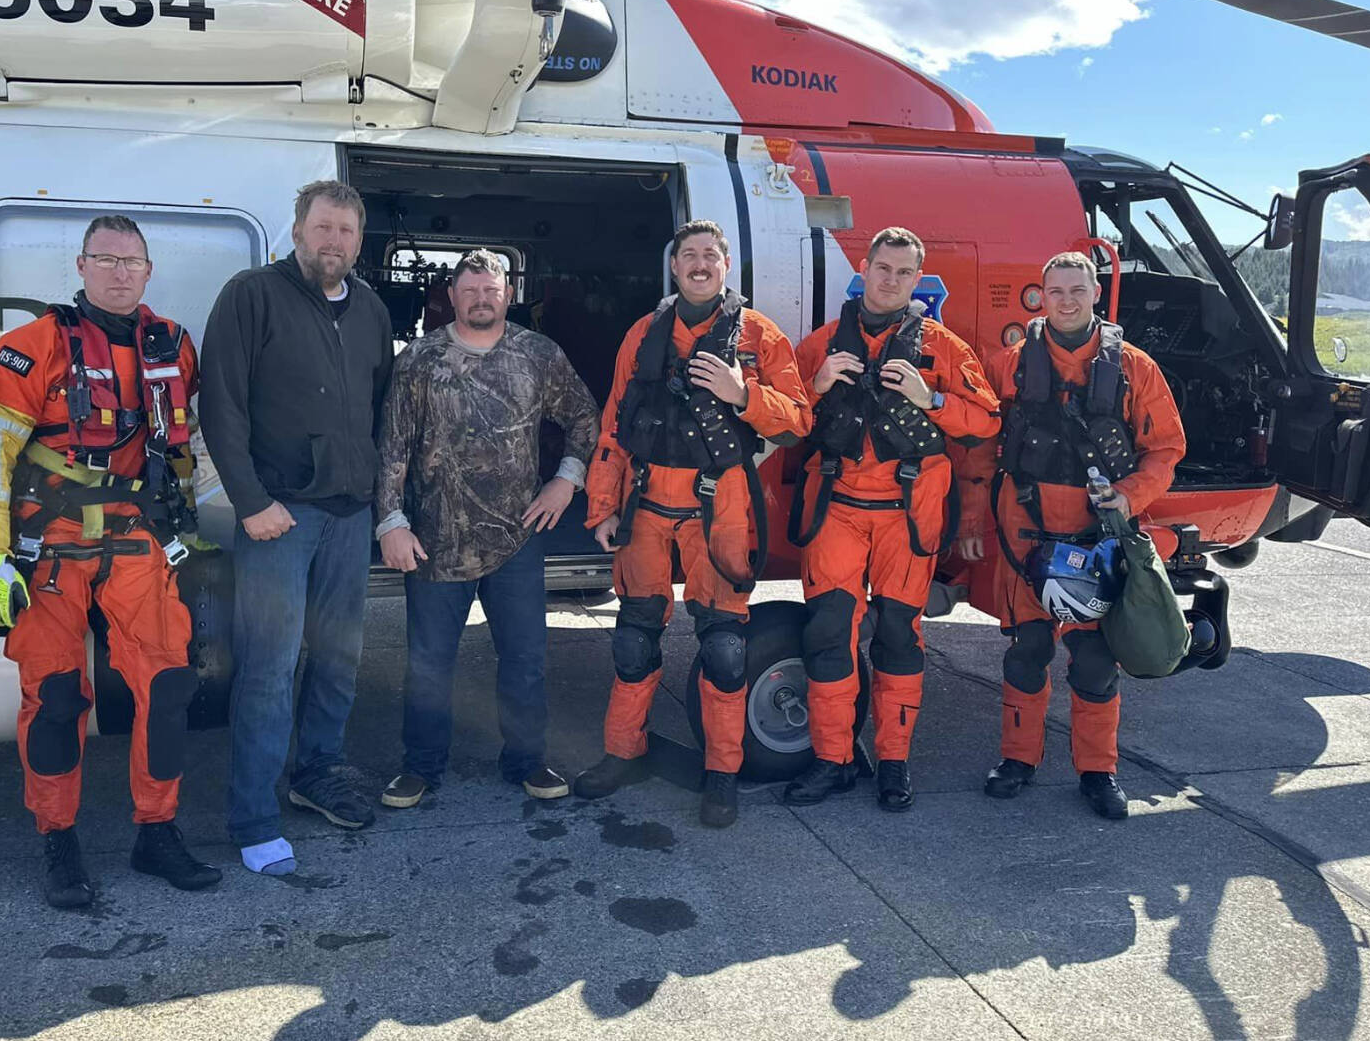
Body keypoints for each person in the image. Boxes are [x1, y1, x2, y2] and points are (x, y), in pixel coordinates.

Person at [0, 213, 220, 909]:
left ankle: (156, 830)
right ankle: (58, 838)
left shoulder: (173, 345)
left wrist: (200, 525)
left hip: (136, 540)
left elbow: (185, 445)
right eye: (104, 259)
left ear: (147, 271)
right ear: (80, 267)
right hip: (48, 545)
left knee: (169, 687)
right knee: (54, 699)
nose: (118, 272)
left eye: (130, 261)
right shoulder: (30, 347)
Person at [572, 221, 812, 828]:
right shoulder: (643, 334)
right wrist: (602, 506)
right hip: (648, 497)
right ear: (674, 268)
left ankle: (722, 773)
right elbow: (613, 427)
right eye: (689, 256)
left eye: (711, 255)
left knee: (727, 649)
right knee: (633, 636)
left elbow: (798, 420)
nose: (700, 265)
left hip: (722, 499)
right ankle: (623, 751)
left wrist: (743, 392)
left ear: (726, 266)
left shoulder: (759, 337)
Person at [199, 180, 394, 876]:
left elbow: (381, 410)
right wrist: (250, 502)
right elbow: (219, 405)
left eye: (346, 230)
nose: (333, 241)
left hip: (349, 516)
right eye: (322, 227)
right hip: (278, 519)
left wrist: (380, 501)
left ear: (358, 240)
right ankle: (253, 819)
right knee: (270, 670)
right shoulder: (252, 295)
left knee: (339, 663)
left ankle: (317, 776)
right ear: (297, 229)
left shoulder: (371, 309)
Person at [957, 251, 1187, 819]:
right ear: (1039, 296)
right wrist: (968, 522)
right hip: (1025, 537)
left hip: (1096, 538)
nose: (1065, 301)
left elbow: (1167, 449)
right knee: (1026, 654)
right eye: (1055, 290)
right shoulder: (1008, 365)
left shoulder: (1134, 368)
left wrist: (1129, 495)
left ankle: (1098, 771)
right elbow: (980, 448)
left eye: (1076, 290)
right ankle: (1017, 759)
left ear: (1094, 294)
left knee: (1093, 661)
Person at [373, 249, 602, 807]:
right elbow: (392, 446)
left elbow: (585, 418)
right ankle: (421, 766)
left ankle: (526, 759)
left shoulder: (536, 355)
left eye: (491, 290)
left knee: (524, 659)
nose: (481, 298)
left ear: (507, 295)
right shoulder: (420, 361)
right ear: (451, 296)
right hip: (436, 540)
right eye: (469, 289)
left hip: (517, 537)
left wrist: (565, 482)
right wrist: (391, 520)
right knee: (429, 663)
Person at [783, 227, 1000, 811]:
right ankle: (834, 760)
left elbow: (985, 423)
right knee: (829, 634)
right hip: (839, 508)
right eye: (883, 268)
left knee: (900, 637)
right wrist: (818, 383)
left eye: (905, 273)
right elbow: (782, 418)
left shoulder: (943, 347)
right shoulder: (824, 343)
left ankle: (894, 763)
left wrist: (932, 399)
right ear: (864, 266)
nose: (891, 280)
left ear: (917, 279)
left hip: (909, 514)